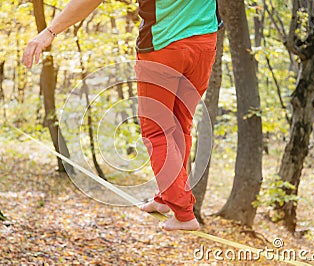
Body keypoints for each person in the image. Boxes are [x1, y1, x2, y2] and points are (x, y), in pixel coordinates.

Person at [23, 0, 222, 231]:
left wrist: (50, 31)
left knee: (157, 131)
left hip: (163, 44)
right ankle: (166, 197)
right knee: (179, 125)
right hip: (205, 43)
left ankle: (184, 213)